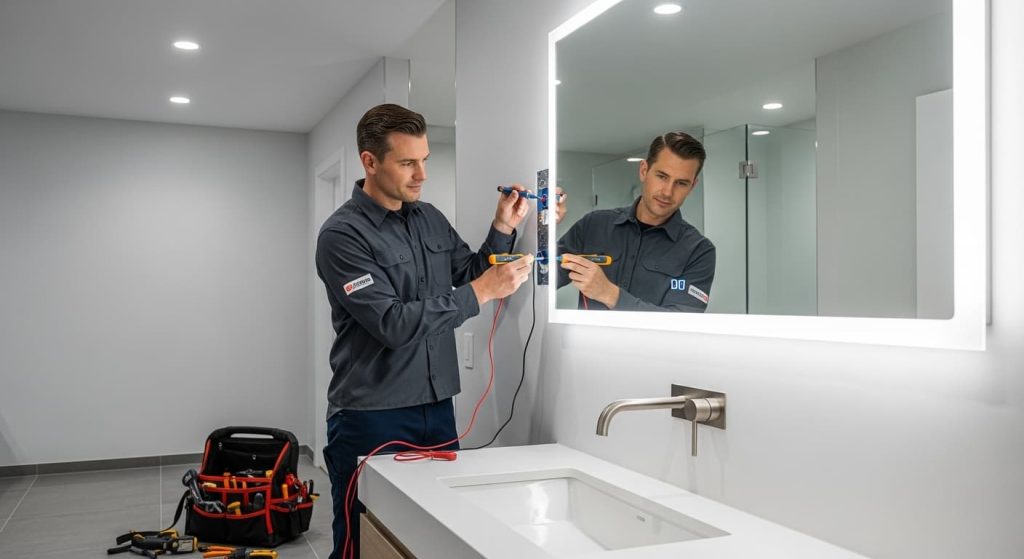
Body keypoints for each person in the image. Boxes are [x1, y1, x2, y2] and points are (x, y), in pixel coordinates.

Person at [315, 104, 534, 559]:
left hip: (437, 409)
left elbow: (469, 271)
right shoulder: (341, 236)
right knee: (362, 538)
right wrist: (480, 291)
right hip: (371, 416)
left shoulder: (429, 217)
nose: (422, 174)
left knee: (431, 535)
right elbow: (393, 323)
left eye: (425, 160)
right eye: (408, 162)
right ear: (369, 162)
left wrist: (503, 227)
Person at [557, 131, 715, 312]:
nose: (667, 192)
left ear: (692, 186)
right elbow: (540, 277)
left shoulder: (698, 251)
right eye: (662, 176)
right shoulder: (594, 226)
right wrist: (546, 224)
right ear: (644, 171)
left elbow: (682, 320)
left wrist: (610, 294)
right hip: (584, 341)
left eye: (681, 183)